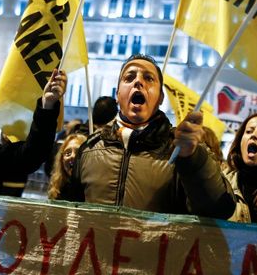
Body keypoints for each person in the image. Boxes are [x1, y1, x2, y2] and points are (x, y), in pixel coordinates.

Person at [61, 54, 235, 219]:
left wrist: (193, 159)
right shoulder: (90, 149)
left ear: (160, 97)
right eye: (129, 77)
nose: (138, 82)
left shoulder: (179, 149)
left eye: (149, 78)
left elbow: (220, 209)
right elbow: (72, 216)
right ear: (117, 94)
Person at [48, 133, 87, 200]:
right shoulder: (58, 189)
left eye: (78, 152)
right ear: (61, 160)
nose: (72, 156)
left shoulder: (90, 190)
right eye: (68, 153)